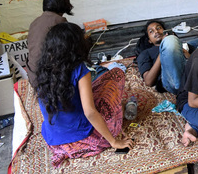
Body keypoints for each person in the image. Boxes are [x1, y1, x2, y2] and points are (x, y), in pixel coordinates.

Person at [36, 23, 133, 166]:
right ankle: (122, 109)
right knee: (116, 74)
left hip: (54, 140)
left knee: (96, 87)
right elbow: (90, 112)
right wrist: (113, 141)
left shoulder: (43, 68)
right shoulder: (79, 68)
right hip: (82, 139)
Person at [26, 0, 74, 88]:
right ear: (63, 3)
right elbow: (68, 54)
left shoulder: (34, 23)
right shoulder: (60, 22)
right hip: (48, 80)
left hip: (33, 76)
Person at [135, 20, 187, 94]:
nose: (156, 31)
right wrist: (162, 50)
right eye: (151, 31)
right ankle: (183, 90)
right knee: (169, 40)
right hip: (170, 81)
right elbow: (148, 81)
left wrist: (182, 50)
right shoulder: (146, 53)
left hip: (189, 71)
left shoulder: (176, 43)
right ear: (149, 40)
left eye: (159, 28)